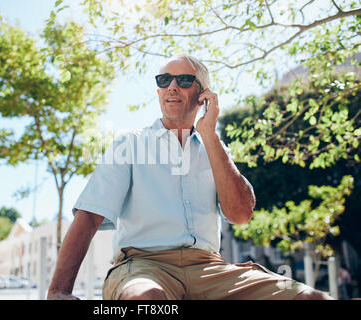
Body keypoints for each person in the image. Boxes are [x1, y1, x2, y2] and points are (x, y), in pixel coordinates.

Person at [47, 54, 332, 300]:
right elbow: (89, 216)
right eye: (164, 80)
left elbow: (241, 214)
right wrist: (59, 290)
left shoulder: (216, 149)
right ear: (158, 91)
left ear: (203, 94)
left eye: (183, 80)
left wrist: (209, 134)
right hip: (144, 265)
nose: (172, 86)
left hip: (210, 268)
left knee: (312, 297)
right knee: (147, 299)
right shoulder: (129, 145)